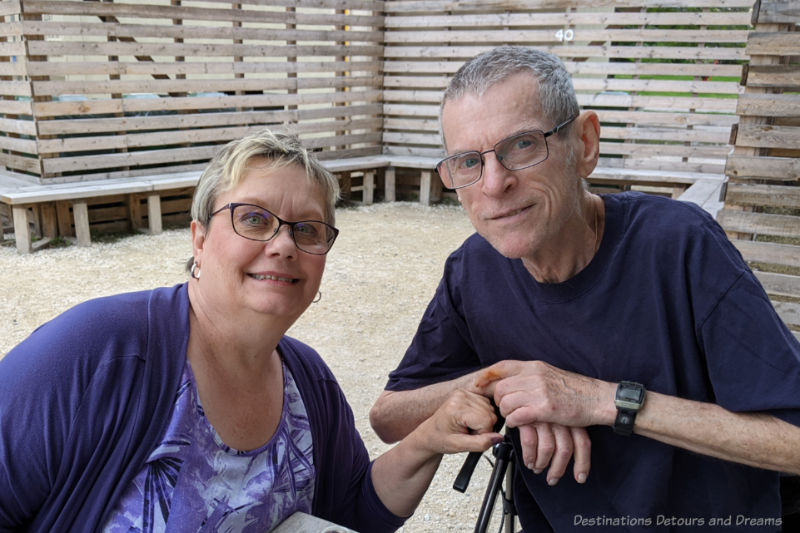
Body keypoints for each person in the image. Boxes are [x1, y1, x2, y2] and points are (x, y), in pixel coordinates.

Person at [369, 45, 800, 531]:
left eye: (523, 145)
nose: (493, 184)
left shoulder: (678, 246)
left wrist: (600, 400)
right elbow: (389, 418)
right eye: (468, 162)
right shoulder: (473, 270)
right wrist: (502, 386)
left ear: (584, 144)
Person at [0, 129, 503, 533]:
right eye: (254, 219)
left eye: (307, 229)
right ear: (199, 239)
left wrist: (430, 438)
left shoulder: (308, 380)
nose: (283, 244)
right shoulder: (97, 352)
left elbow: (353, 511)